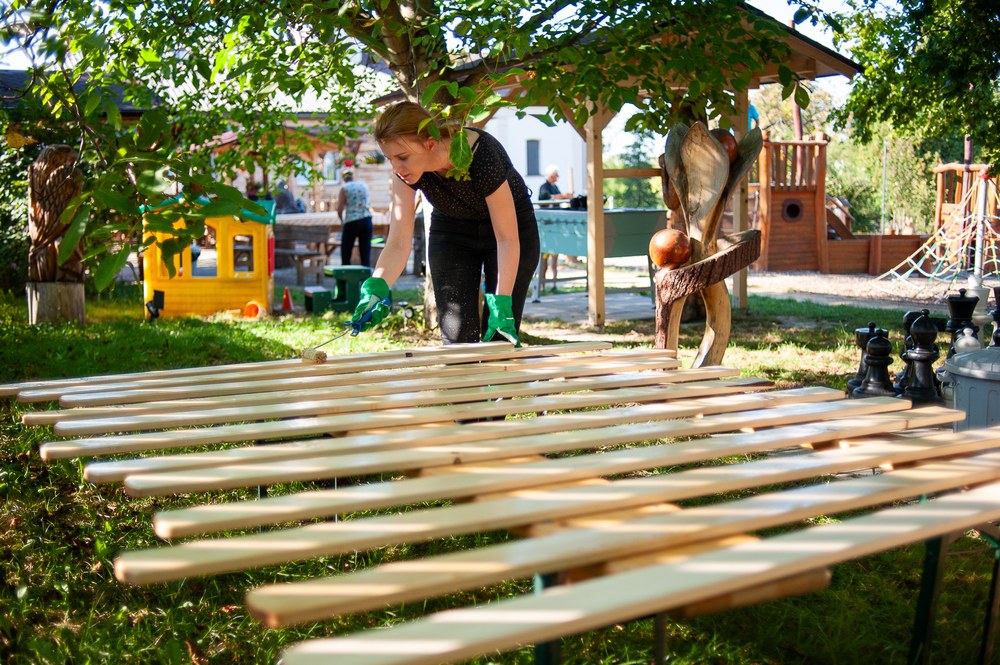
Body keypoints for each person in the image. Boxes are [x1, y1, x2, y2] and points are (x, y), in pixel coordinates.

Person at [351, 100, 540, 346]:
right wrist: (377, 285)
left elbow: (506, 238)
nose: (396, 168)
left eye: (403, 157)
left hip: (509, 234)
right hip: (452, 229)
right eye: (389, 159)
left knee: (498, 338)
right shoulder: (404, 174)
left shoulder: (481, 155)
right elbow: (398, 243)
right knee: (456, 336)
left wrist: (502, 301)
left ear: (429, 144)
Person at [537, 164, 574, 290]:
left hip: (556, 227)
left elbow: (560, 197)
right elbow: (548, 198)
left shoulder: (555, 187)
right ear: (551, 175)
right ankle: (541, 285)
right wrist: (564, 196)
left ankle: (554, 284)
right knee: (544, 260)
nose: (558, 177)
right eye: (556, 175)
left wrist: (566, 197)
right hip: (546, 227)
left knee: (555, 258)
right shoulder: (544, 187)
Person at [336, 169, 374, 267]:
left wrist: (342, 220)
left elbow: (339, 208)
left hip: (352, 220)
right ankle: (366, 277)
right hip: (367, 219)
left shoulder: (344, 188)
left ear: (343, 178)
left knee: (346, 250)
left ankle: (345, 275)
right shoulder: (363, 185)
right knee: (365, 251)